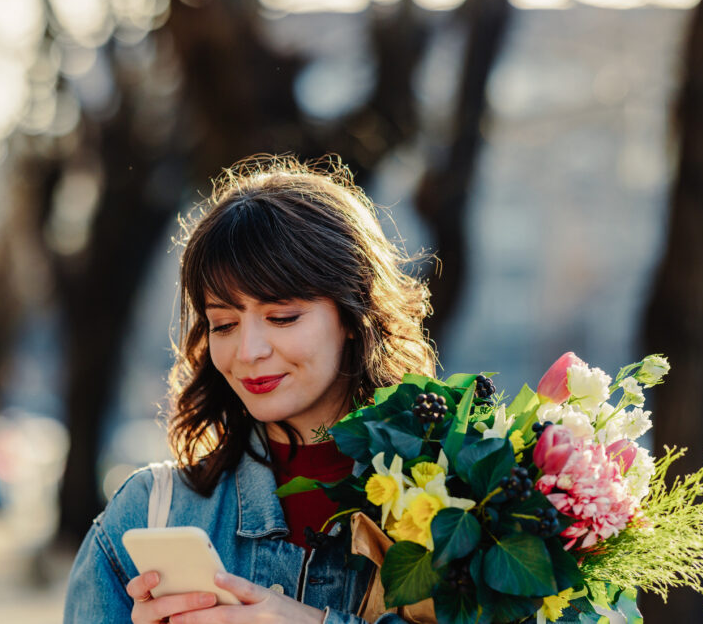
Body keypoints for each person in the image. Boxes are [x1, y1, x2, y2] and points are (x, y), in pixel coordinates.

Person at [64, 155, 435, 624]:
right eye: (223, 324)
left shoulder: (466, 504)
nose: (248, 351)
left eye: (282, 317)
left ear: (352, 314)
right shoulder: (146, 513)